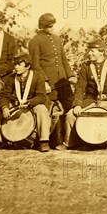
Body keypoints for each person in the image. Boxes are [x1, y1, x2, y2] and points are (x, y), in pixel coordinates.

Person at [60, 38, 107, 150]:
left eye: (92, 51)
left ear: (101, 52)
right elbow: (79, 88)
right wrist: (77, 104)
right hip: (91, 100)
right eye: (89, 50)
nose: (89, 53)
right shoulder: (85, 67)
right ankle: (69, 142)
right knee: (70, 115)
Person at [0, 53, 52, 153]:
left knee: (42, 109)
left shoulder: (38, 77)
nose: (15, 67)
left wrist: (30, 102)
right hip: (16, 104)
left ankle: (44, 141)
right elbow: (4, 95)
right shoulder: (12, 78)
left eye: (19, 64)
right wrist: (5, 108)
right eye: (15, 64)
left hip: (31, 105)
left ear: (28, 66)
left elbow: (42, 96)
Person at [28, 13, 76, 147]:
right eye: (48, 26)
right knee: (48, 110)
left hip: (62, 80)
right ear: (42, 26)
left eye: (52, 25)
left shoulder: (57, 39)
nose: (51, 28)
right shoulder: (35, 41)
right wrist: (44, 81)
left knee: (71, 106)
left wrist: (70, 74)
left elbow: (63, 60)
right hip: (48, 82)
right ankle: (45, 140)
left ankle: (73, 140)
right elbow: (35, 65)